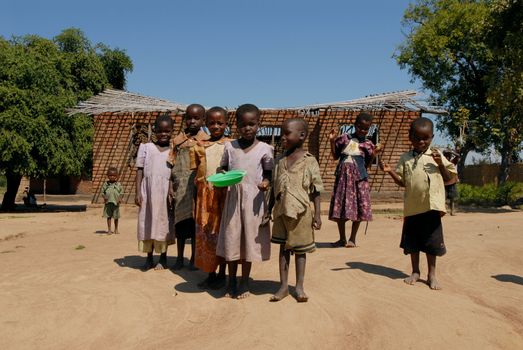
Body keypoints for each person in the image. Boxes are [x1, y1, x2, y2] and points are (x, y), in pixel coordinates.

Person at [379, 117, 457, 290]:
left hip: (431, 208)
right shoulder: (405, 158)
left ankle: (432, 275)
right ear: (410, 137)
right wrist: (391, 171)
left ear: (432, 137)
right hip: (413, 208)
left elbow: (449, 177)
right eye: (417, 137)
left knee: (432, 243)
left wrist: (440, 165)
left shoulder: (436, 155)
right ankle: (415, 271)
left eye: (426, 138)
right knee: (413, 242)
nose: (421, 141)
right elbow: (403, 182)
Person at [217, 103, 273, 299]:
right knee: (232, 239)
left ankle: (244, 281)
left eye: (252, 124)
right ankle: (231, 280)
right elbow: (222, 169)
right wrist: (222, 176)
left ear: (259, 124)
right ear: (236, 125)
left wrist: (266, 182)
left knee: (249, 240)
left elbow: (268, 173)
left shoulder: (265, 149)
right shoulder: (230, 147)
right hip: (233, 199)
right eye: (243, 124)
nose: (247, 128)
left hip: (253, 203)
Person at [268, 118, 323, 303]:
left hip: (301, 214)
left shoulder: (310, 161)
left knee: (300, 251)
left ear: (301, 136)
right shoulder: (279, 161)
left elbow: (316, 190)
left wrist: (317, 214)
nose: (283, 137)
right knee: (283, 249)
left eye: (287, 133)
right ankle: (283, 286)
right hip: (282, 212)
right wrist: (269, 210)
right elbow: (273, 189)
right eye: (281, 133)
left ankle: (299, 286)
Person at [191, 106, 230, 289]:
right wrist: (194, 200)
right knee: (206, 236)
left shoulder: (231, 145)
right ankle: (210, 273)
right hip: (204, 199)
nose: (215, 126)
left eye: (219, 123)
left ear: (226, 124)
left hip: (224, 197)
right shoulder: (199, 146)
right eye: (212, 123)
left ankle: (223, 274)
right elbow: (195, 176)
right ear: (205, 124)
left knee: (222, 235)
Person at [328, 113, 380, 248]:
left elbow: (367, 165)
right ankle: (342, 239)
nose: (362, 130)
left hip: (359, 180)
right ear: (355, 125)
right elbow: (335, 156)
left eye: (365, 129)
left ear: (369, 129)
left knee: (358, 207)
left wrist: (374, 154)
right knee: (340, 207)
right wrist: (332, 141)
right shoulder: (344, 139)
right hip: (343, 179)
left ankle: (352, 239)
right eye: (359, 127)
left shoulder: (368, 144)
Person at [169, 104, 208, 270]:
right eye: (189, 118)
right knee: (180, 225)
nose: (192, 121)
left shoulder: (206, 140)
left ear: (203, 120)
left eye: (196, 118)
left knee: (194, 225)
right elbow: (171, 164)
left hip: (197, 189)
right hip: (180, 188)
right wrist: (171, 186)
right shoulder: (177, 141)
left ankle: (193, 258)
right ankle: (179, 257)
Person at [135, 114, 175, 271]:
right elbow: (139, 171)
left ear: (172, 131)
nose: (164, 134)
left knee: (163, 224)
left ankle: (163, 258)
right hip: (148, 192)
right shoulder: (146, 147)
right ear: (154, 131)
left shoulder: (173, 150)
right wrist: (138, 192)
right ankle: (149, 258)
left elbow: (173, 173)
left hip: (164, 193)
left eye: (167, 131)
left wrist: (171, 190)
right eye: (160, 131)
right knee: (147, 222)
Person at [101, 166, 123, 234]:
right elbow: (102, 192)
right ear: (107, 176)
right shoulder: (105, 184)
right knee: (109, 217)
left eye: (114, 175)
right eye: (110, 175)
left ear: (117, 176)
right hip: (108, 203)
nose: (112, 177)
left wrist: (120, 199)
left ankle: (116, 229)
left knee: (116, 217)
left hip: (116, 203)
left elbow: (121, 192)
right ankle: (109, 229)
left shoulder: (118, 184)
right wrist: (104, 197)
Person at [442, 149, 460, 215]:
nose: (447, 157)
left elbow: (458, 156)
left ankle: (452, 210)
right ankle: (444, 210)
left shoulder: (452, 162)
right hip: (444, 183)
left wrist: (452, 152)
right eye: (446, 156)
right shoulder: (441, 163)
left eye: (448, 156)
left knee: (452, 197)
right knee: (443, 197)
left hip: (452, 182)